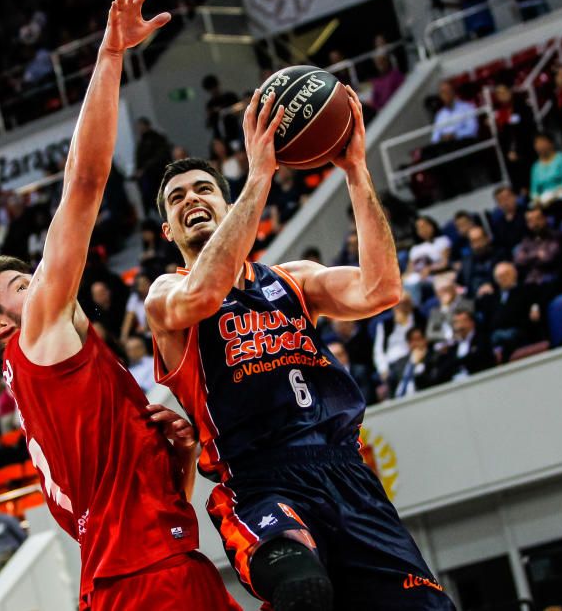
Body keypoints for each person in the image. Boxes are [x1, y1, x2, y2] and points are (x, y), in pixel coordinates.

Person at [0, 0, 240, 611]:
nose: (45, 281)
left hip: (129, 579)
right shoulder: (38, 340)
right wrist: (110, 55)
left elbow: (113, 509)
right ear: (1, 326)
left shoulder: (53, 396)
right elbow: (83, 185)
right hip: (151, 584)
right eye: (23, 284)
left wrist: (180, 463)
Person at [147, 87, 453, 610]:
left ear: (225, 204)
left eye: (203, 189)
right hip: (260, 480)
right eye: (178, 199)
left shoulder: (294, 281)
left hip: (345, 472)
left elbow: (381, 290)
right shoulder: (166, 294)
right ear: (167, 230)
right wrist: (260, 175)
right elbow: (204, 292)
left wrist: (356, 169)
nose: (191, 199)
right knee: (302, 589)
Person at [529, 133, 562, 211]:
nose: (540, 145)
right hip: (543, 201)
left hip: (561, 196)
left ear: (551, 143)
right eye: (537, 143)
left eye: (542, 142)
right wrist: (537, 199)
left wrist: (554, 196)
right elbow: (534, 191)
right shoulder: (535, 167)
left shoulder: (561, 158)